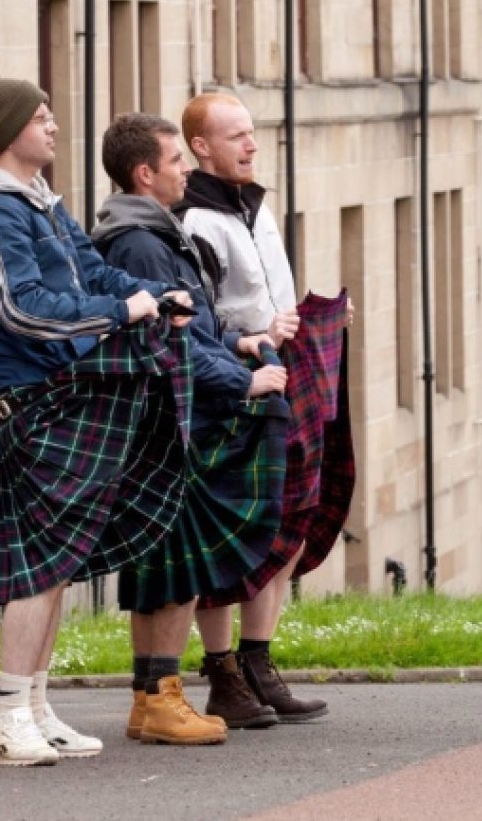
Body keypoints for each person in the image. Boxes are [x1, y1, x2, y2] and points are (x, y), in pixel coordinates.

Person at [0, 73, 194, 766]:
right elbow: (21, 308)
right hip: (32, 398)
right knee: (39, 566)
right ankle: (8, 715)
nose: (53, 125)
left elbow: (91, 271)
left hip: (63, 391)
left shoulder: (40, 203)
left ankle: (37, 708)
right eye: (40, 115)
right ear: (6, 131)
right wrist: (122, 313)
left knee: (55, 563)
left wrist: (152, 294)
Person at [93, 113, 296, 743]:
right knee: (174, 569)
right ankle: (161, 698)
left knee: (164, 568)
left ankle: (152, 697)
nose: (188, 169)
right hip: (170, 420)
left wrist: (238, 342)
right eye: (177, 160)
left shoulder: (149, 231)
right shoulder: (142, 242)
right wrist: (243, 379)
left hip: (169, 413)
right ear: (145, 173)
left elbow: (194, 329)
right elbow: (166, 340)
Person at [176, 92, 348, 728]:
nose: (251, 145)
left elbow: (269, 289)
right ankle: (222, 673)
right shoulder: (195, 222)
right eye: (236, 137)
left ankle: (258, 662)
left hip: (283, 371)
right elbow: (199, 316)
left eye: (251, 133)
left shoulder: (255, 204)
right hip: (234, 378)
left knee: (291, 519)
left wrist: (313, 315)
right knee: (231, 529)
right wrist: (255, 330)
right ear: (201, 146)